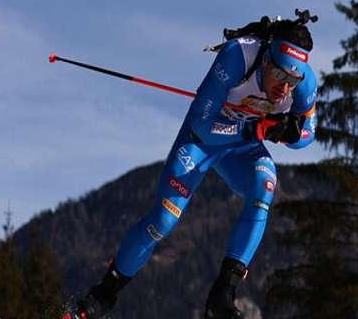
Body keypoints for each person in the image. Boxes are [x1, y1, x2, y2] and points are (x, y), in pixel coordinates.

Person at [66, 16, 319, 319]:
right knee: (163, 221)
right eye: (279, 75)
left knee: (264, 186)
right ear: (266, 58)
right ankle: (102, 295)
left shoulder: (304, 84)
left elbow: (308, 135)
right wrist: (259, 131)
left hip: (242, 148)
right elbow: (202, 122)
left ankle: (223, 293)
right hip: (203, 141)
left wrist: (292, 133)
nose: (284, 87)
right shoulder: (238, 56)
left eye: (293, 81)